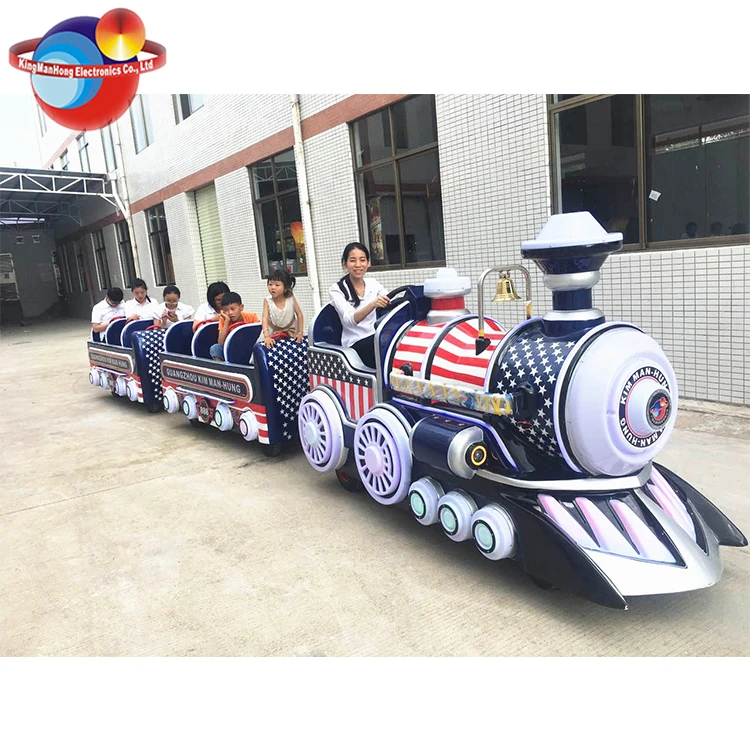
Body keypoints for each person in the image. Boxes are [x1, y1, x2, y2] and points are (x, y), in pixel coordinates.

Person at [328, 242, 390, 368]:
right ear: (344, 264)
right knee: (382, 345)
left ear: (368, 263)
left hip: (376, 338)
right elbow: (350, 320)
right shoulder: (337, 289)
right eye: (352, 260)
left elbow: (388, 298)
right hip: (355, 345)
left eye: (362, 260)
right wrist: (373, 304)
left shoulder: (373, 284)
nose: (358, 265)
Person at [208, 291, 260, 361]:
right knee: (215, 348)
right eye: (226, 310)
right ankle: (222, 367)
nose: (230, 313)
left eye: (233, 309)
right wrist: (226, 321)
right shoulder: (223, 319)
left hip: (248, 348)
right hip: (231, 349)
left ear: (241, 307)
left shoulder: (252, 316)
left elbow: (258, 337)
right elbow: (220, 342)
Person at [262, 269, 304, 348]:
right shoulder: (267, 300)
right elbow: (264, 318)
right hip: (272, 335)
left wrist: (300, 332)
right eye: (270, 284)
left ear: (285, 288)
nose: (272, 287)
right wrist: (266, 336)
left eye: (277, 285)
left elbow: (299, 314)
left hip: (292, 334)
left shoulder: (291, 298)